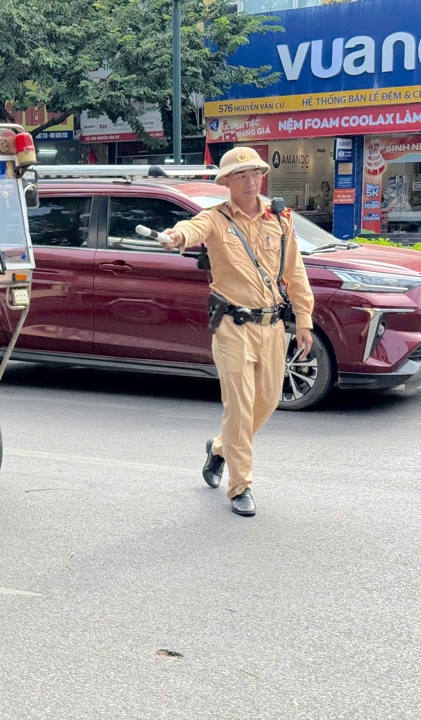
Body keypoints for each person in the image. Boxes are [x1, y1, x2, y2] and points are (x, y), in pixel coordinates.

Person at [160, 147, 314, 517]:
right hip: (232, 327)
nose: (250, 181)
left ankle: (218, 448)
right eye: (241, 175)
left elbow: (295, 273)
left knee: (268, 401)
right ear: (226, 181)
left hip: (272, 326)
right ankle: (240, 485)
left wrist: (305, 320)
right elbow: (191, 229)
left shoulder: (280, 220)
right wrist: (176, 236)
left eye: (255, 174)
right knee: (241, 407)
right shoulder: (214, 219)